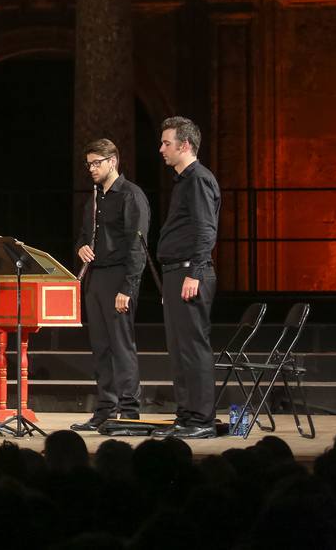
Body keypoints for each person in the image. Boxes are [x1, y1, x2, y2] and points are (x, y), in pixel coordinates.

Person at [71, 139, 151, 431]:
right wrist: (81, 247)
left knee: (121, 345)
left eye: (96, 163)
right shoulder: (94, 199)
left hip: (119, 276)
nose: (91, 169)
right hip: (96, 278)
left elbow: (137, 247)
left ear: (113, 161)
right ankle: (106, 409)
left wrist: (128, 288)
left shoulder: (131, 195)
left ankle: (129, 412)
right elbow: (84, 235)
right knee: (101, 347)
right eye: (89, 164)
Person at [153, 116, 221, 439]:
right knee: (179, 349)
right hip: (176, 273)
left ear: (185, 145)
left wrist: (194, 272)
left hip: (191, 272)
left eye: (167, 143)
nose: (161, 149)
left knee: (193, 347)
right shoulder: (184, 181)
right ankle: (187, 415)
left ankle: (202, 419)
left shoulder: (198, 179)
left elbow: (206, 230)